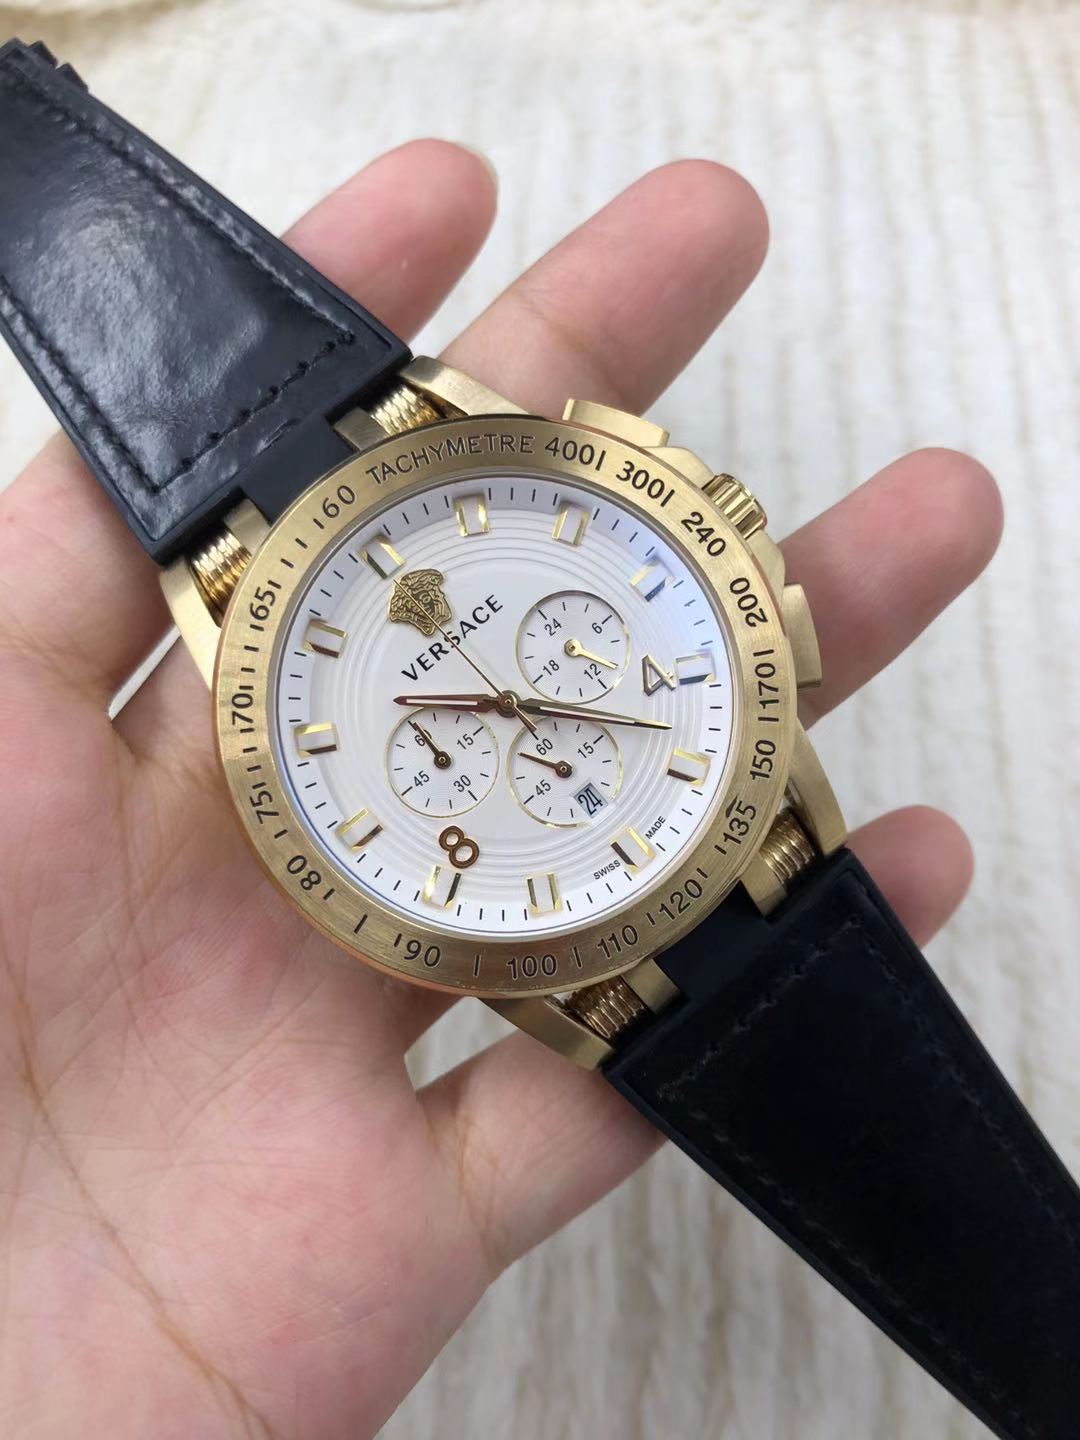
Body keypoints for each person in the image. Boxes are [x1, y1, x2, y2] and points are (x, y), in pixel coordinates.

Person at [0, 140, 1001, 1436]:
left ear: (705, 526)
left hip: (705, 823)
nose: (511, 710)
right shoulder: (252, 641)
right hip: (577, 917)